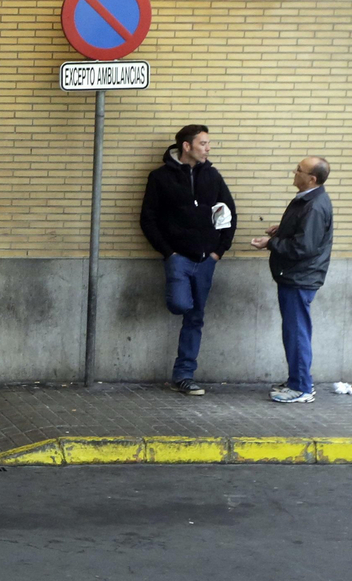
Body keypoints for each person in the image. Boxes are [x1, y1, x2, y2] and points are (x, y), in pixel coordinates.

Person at [139, 124, 237, 397]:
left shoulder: (213, 177)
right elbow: (148, 218)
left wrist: (218, 251)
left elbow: (229, 213)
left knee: (195, 318)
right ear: (187, 146)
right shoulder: (160, 177)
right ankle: (183, 371)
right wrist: (169, 252)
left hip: (206, 260)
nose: (208, 148)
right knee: (180, 304)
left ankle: (183, 376)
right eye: (203, 143)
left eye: (208, 143)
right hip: (178, 258)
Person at [252, 157, 333, 404]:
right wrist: (282, 230)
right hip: (296, 276)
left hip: (300, 278)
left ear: (312, 179)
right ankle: (298, 380)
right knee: (294, 331)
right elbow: (303, 234)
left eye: (299, 170)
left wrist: (271, 243)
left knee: (296, 332)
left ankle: (301, 388)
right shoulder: (307, 199)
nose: (294, 172)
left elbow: (303, 247)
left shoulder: (314, 205)